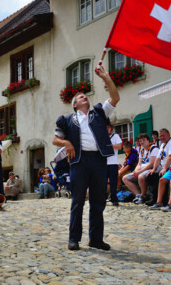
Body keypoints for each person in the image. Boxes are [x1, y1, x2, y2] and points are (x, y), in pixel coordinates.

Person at [52, 64, 119, 251]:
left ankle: (95, 239)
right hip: (79, 162)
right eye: (80, 96)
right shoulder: (66, 119)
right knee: (78, 201)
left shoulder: (98, 112)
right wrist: (67, 143)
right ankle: (74, 238)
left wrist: (107, 78)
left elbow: (115, 97)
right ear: (75, 104)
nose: (84, 96)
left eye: (85, 95)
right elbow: (55, 139)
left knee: (98, 201)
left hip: (98, 160)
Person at [122, 133, 160, 204]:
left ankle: (143, 196)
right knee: (125, 178)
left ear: (148, 140)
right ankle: (138, 195)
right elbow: (139, 164)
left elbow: (151, 164)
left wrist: (139, 172)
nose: (142, 142)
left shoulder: (154, 149)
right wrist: (135, 171)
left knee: (141, 177)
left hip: (150, 169)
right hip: (141, 170)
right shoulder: (142, 151)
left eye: (143, 140)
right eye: (140, 141)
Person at [145, 128, 171, 206]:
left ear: (168, 135)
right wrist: (154, 169)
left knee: (161, 175)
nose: (162, 138)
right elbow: (158, 158)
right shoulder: (162, 145)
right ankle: (154, 198)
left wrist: (164, 168)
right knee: (150, 175)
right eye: (160, 136)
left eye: (163, 135)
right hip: (162, 166)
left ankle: (163, 201)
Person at [106, 123, 122, 206]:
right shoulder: (101, 137)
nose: (107, 129)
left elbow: (119, 147)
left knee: (113, 182)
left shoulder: (115, 136)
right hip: (103, 163)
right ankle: (102, 198)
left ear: (111, 128)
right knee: (102, 182)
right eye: (105, 127)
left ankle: (114, 199)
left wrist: (110, 145)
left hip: (113, 162)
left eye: (108, 127)